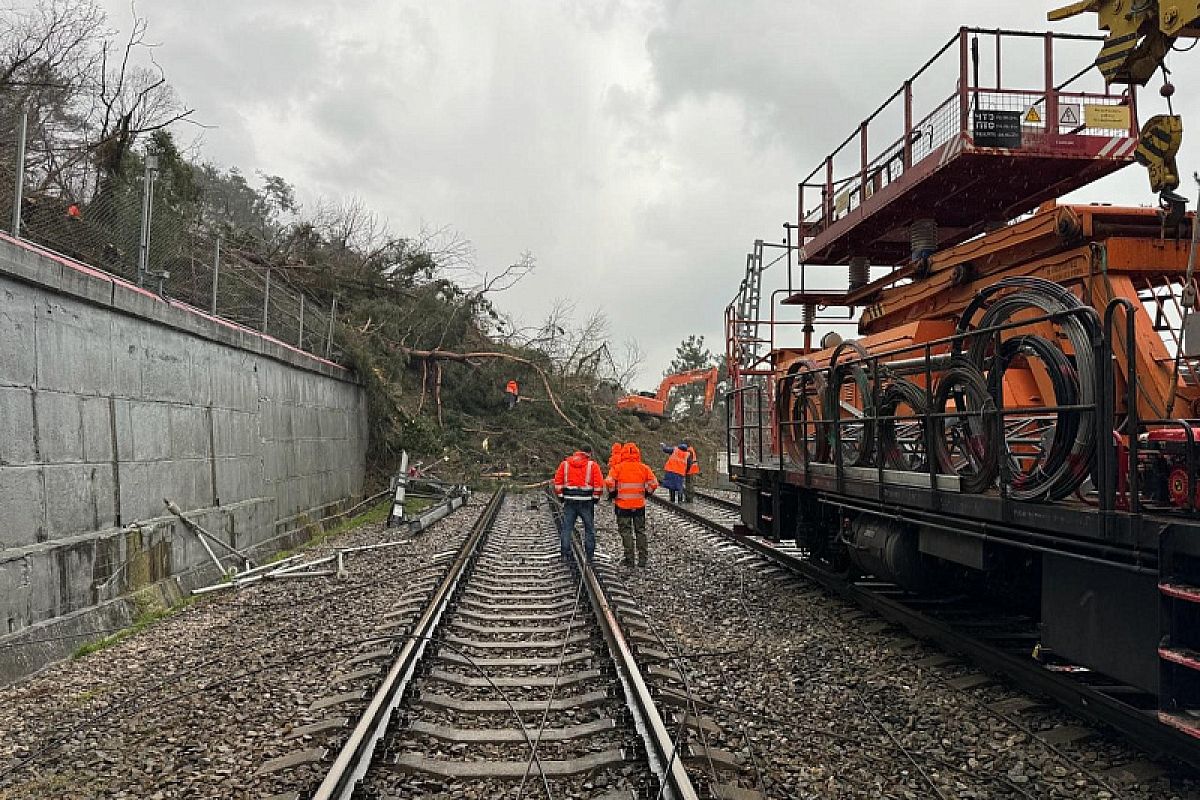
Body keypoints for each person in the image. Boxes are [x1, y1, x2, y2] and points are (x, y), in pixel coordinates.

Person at [606, 442, 658, 568]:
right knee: (640, 531)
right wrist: (646, 493)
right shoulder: (644, 468)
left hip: (623, 505)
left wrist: (613, 493)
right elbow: (654, 483)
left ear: (623, 453)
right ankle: (642, 560)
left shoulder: (617, 468)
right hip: (639, 505)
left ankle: (629, 560)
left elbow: (609, 482)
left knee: (626, 532)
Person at [553, 444, 604, 566]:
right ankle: (590, 556)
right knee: (589, 529)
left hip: (570, 502)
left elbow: (558, 482)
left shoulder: (565, 464)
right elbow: (599, 485)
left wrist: (561, 497)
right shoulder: (593, 466)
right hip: (586, 502)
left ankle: (565, 554)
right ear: (589, 453)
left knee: (567, 528)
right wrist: (595, 499)